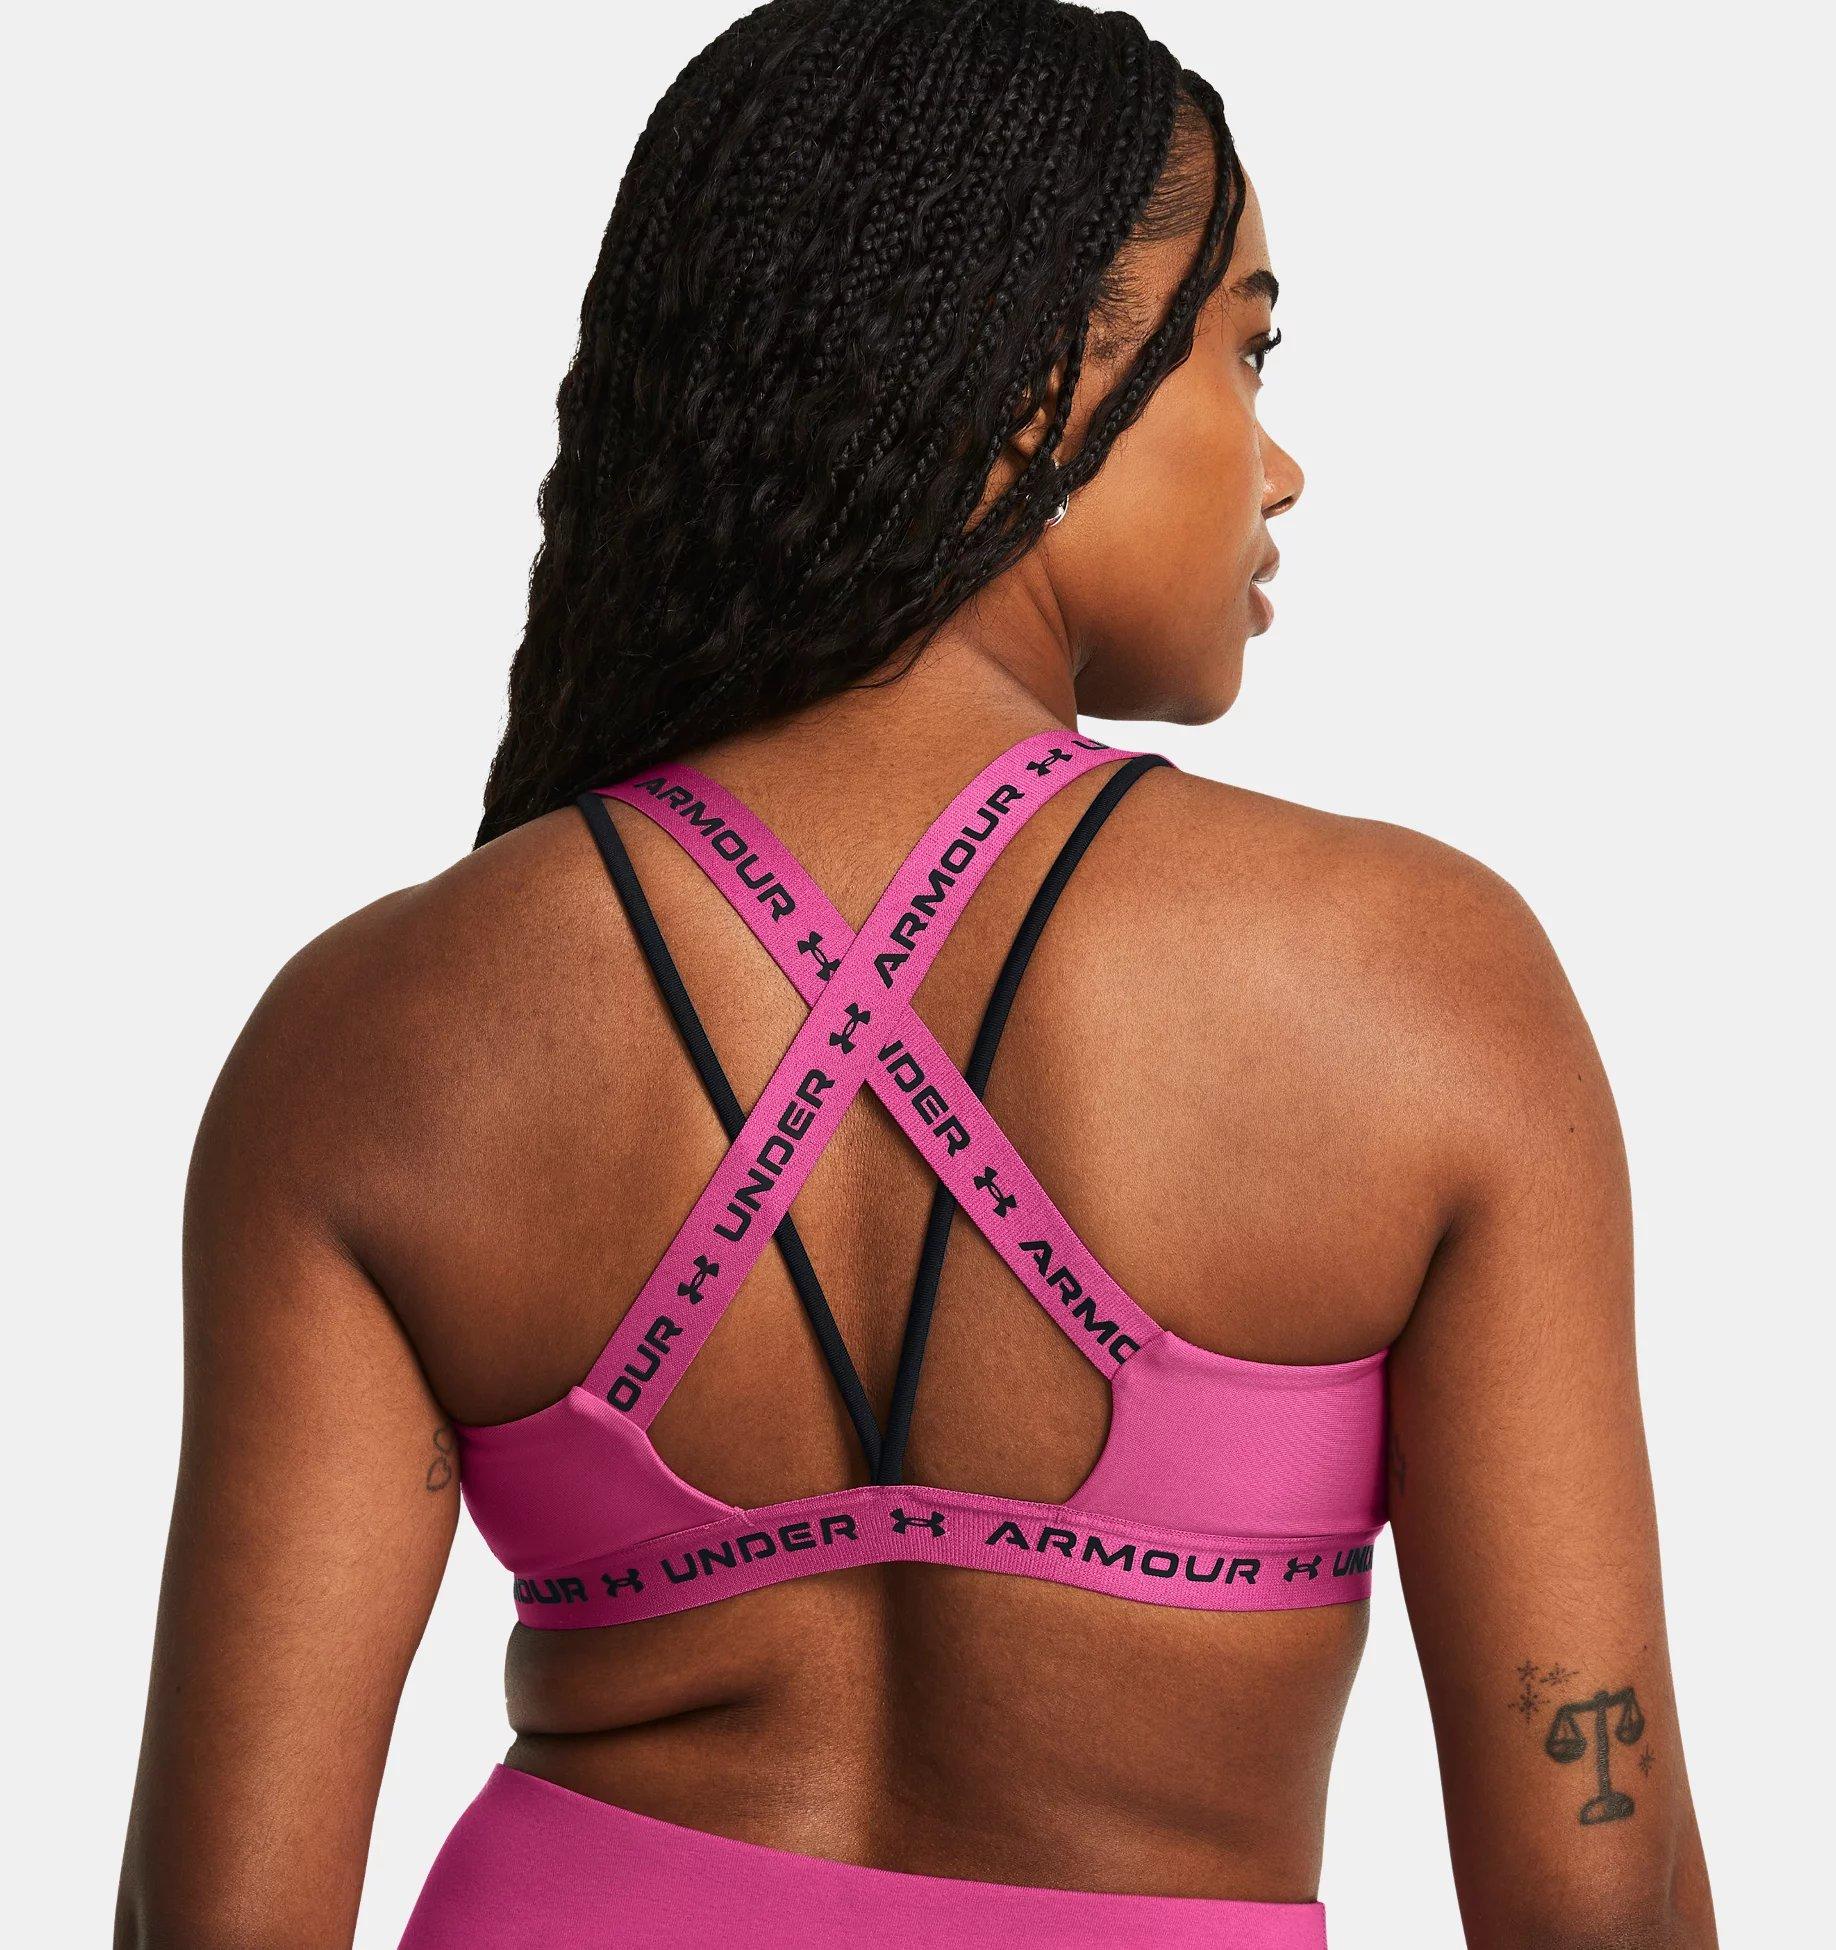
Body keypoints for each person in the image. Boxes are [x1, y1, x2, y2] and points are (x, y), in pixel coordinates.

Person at [115, 3, 1717, 1944]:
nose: (1281, 464)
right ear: (1036, 382)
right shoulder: (1421, 983)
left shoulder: (369, 1036)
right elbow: (1598, 1894)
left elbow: (217, 1925)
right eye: (1249, 351)